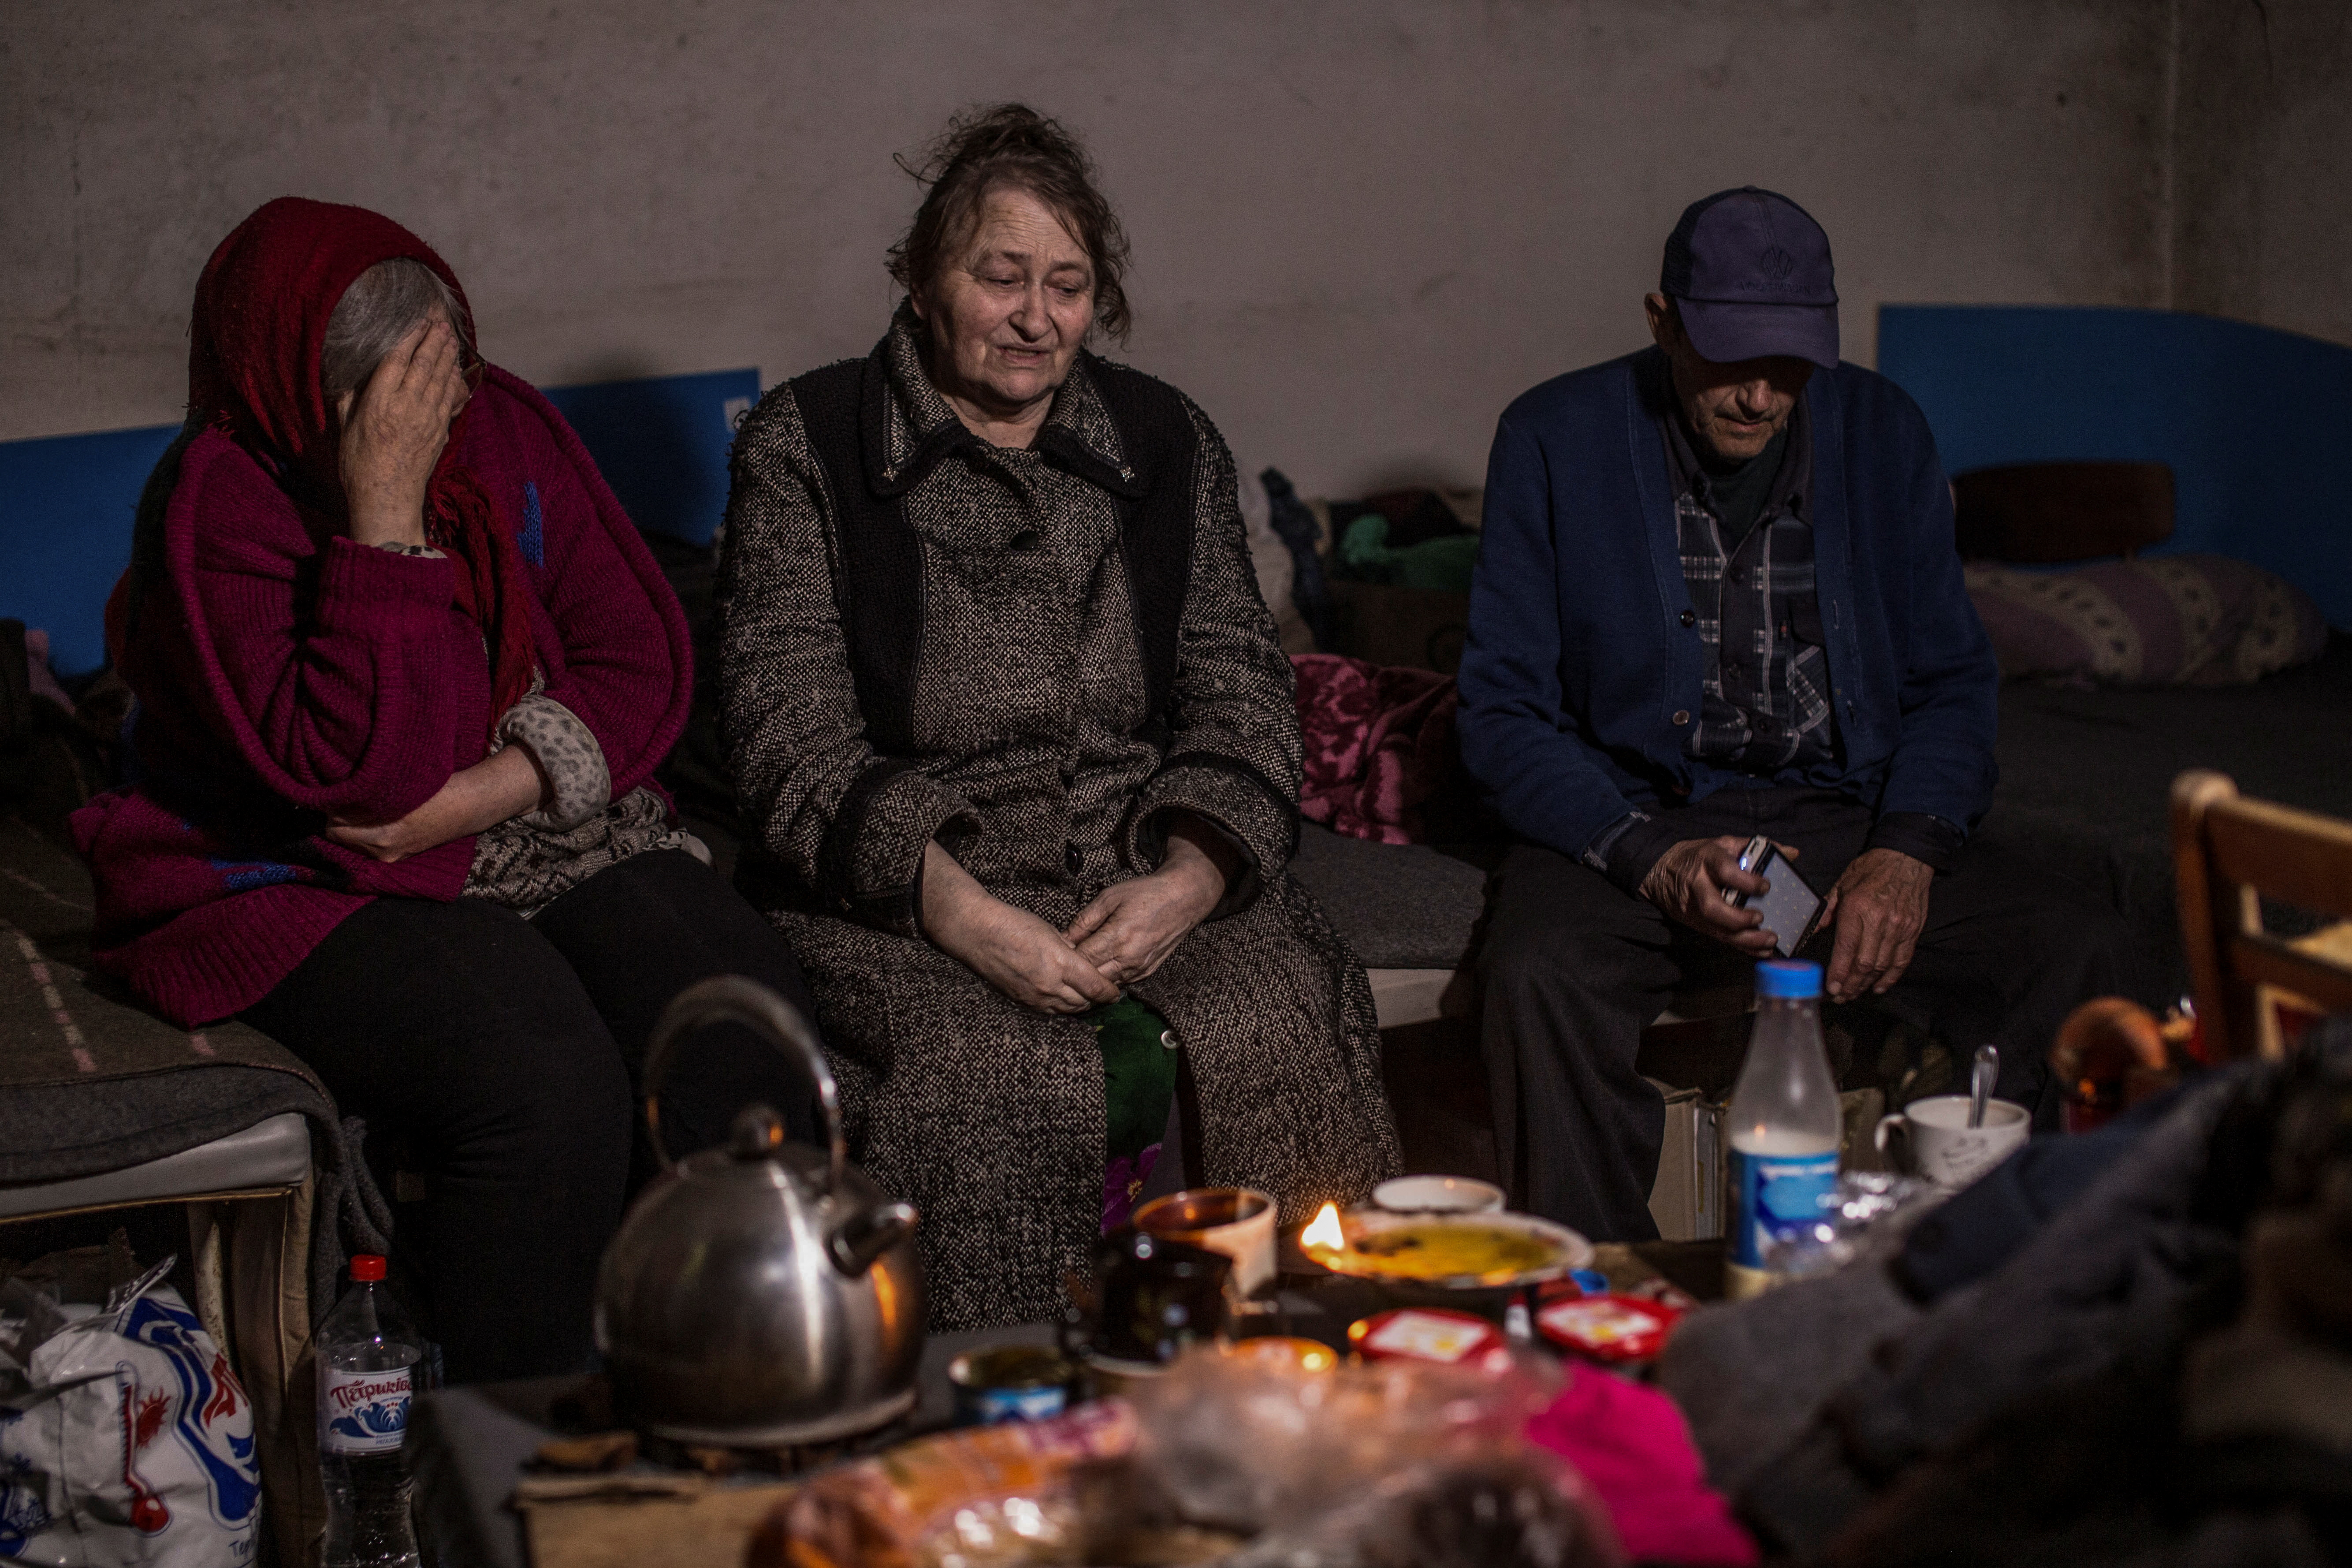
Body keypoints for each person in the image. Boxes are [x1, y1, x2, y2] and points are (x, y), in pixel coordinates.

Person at [72, 197, 819, 1383]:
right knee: (539, 1079)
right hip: (298, 872)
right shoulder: (225, 499)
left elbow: (639, 662)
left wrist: (493, 790)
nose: (437, 417)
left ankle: (726, 1385)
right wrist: (386, 522)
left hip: (518, 824)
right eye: (395, 401)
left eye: (447, 376)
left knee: (735, 1020)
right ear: (308, 396)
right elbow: (370, 777)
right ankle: (514, 1441)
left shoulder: (500, 423)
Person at [718, 104, 1400, 1329]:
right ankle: (1006, 1403)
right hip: (909, 898)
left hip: (1140, 867)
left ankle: (1295, 1373)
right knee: (992, 1080)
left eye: (1068, 285)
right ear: (922, 281)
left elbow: (1242, 684)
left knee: (1278, 1021)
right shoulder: (808, 444)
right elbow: (787, 731)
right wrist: (965, 915)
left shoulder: (1163, 438)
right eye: (1001, 277)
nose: (1036, 317)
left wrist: (1190, 878)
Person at [1457, 187, 2146, 1241]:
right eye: (1730, 359)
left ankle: (2026, 1262)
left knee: (2083, 947)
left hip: (1842, 812)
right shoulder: (1553, 436)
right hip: (1641, 815)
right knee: (1537, 974)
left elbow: (1953, 681)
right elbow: (1501, 712)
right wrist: (1650, 858)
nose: (1759, 396)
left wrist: (1906, 851)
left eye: (1789, 365)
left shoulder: (1883, 431)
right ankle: (1598, 1289)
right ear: (1662, 322)